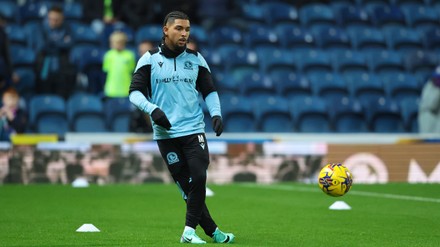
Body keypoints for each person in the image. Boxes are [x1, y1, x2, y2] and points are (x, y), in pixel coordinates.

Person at [129, 11, 234, 244]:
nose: (184, 33)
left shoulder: (196, 59)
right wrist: (153, 110)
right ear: (166, 30)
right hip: (165, 135)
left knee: (198, 176)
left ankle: (188, 231)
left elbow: (209, 90)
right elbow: (134, 93)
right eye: (179, 28)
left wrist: (215, 114)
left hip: (193, 130)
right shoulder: (149, 59)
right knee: (187, 187)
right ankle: (214, 232)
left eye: (187, 29)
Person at [35, 5, 76, 99]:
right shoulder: (41, 28)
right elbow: (42, 47)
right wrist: (60, 43)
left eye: (57, 19)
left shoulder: (67, 28)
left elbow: (69, 44)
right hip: (44, 70)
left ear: (62, 19)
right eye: (51, 19)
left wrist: (51, 43)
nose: (53, 21)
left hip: (62, 71)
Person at [102, 31, 136, 98]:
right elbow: (106, 70)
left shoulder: (130, 55)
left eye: (119, 42)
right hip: (111, 89)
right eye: (113, 42)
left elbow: (131, 70)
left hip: (126, 89)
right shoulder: (108, 55)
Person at [418, 66, 440, 133]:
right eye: (437, 78)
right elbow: (431, 105)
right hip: (429, 117)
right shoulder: (429, 86)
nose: (437, 81)